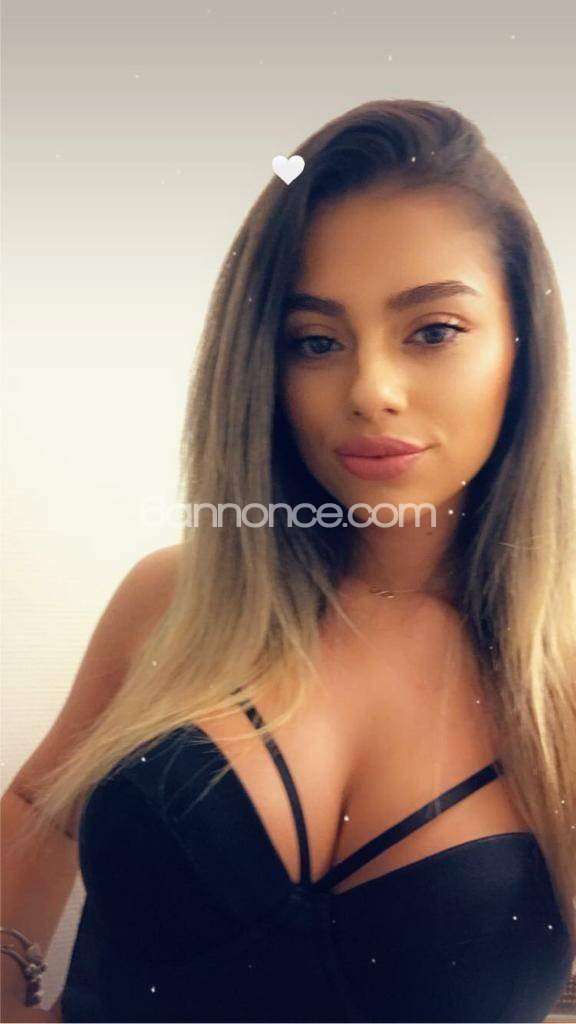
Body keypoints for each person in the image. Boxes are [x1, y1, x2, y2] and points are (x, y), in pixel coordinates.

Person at [2, 98, 575, 1023]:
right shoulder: (173, 602)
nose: (371, 389)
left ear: (524, 343)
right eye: (315, 341)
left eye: (433, 330)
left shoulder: (563, 675)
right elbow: (39, 805)